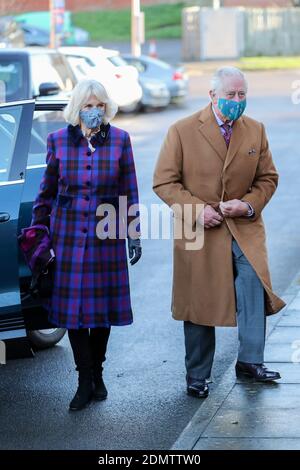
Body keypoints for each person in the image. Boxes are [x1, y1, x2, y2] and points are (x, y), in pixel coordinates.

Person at [153, 66, 285, 399]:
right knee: (200, 304)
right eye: (231, 95)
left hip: (244, 228)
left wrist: (248, 205)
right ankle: (197, 375)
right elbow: (164, 182)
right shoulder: (181, 131)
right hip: (199, 230)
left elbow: (267, 179)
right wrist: (198, 210)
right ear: (212, 95)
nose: (237, 101)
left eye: (242, 95)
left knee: (254, 290)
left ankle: (250, 362)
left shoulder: (255, 130)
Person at [32, 79, 141, 411]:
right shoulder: (58, 141)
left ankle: (98, 371)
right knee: (74, 314)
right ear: (76, 108)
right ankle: (83, 381)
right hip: (67, 237)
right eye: (88, 106)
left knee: (102, 312)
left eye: (100, 106)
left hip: (105, 238)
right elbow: (46, 192)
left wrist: (133, 235)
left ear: (107, 108)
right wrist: (38, 232)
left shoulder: (120, 140)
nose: (95, 112)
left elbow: (128, 192)